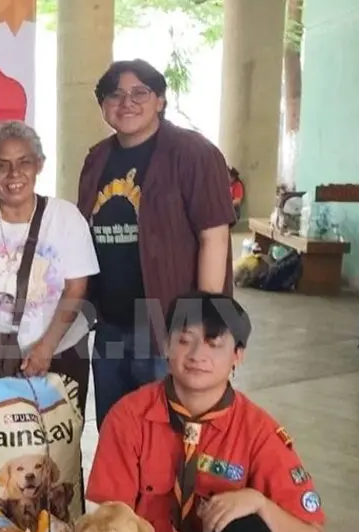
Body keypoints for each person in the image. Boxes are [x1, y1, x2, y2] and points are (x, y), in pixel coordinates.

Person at [85, 292, 325, 532]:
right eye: (184, 340)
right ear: (165, 346)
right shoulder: (128, 418)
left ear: (238, 356)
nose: (197, 354)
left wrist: (258, 502)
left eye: (215, 343)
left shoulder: (258, 431)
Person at [76, 59, 234, 426]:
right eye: (114, 95)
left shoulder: (194, 153)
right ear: (103, 107)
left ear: (160, 100)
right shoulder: (98, 158)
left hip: (168, 327)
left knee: (169, 432)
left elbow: (214, 236)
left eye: (139, 93)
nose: (126, 102)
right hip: (111, 324)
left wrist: (202, 323)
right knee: (116, 429)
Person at [0, 121, 98, 417]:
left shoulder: (65, 218)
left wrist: (45, 349)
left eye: (24, 162)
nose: (14, 174)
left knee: (56, 454)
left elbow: (76, 288)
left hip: (59, 354)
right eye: (2, 165)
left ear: (38, 165)